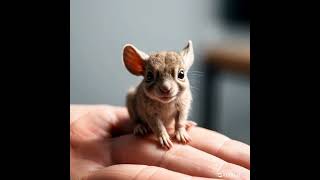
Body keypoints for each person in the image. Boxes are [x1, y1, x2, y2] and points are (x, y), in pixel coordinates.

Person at [70, 105, 250, 180]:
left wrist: (180, 126)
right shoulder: (144, 95)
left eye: (178, 75)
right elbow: (151, 113)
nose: (166, 86)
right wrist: (156, 130)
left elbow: (182, 107)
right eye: (153, 76)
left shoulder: (182, 92)